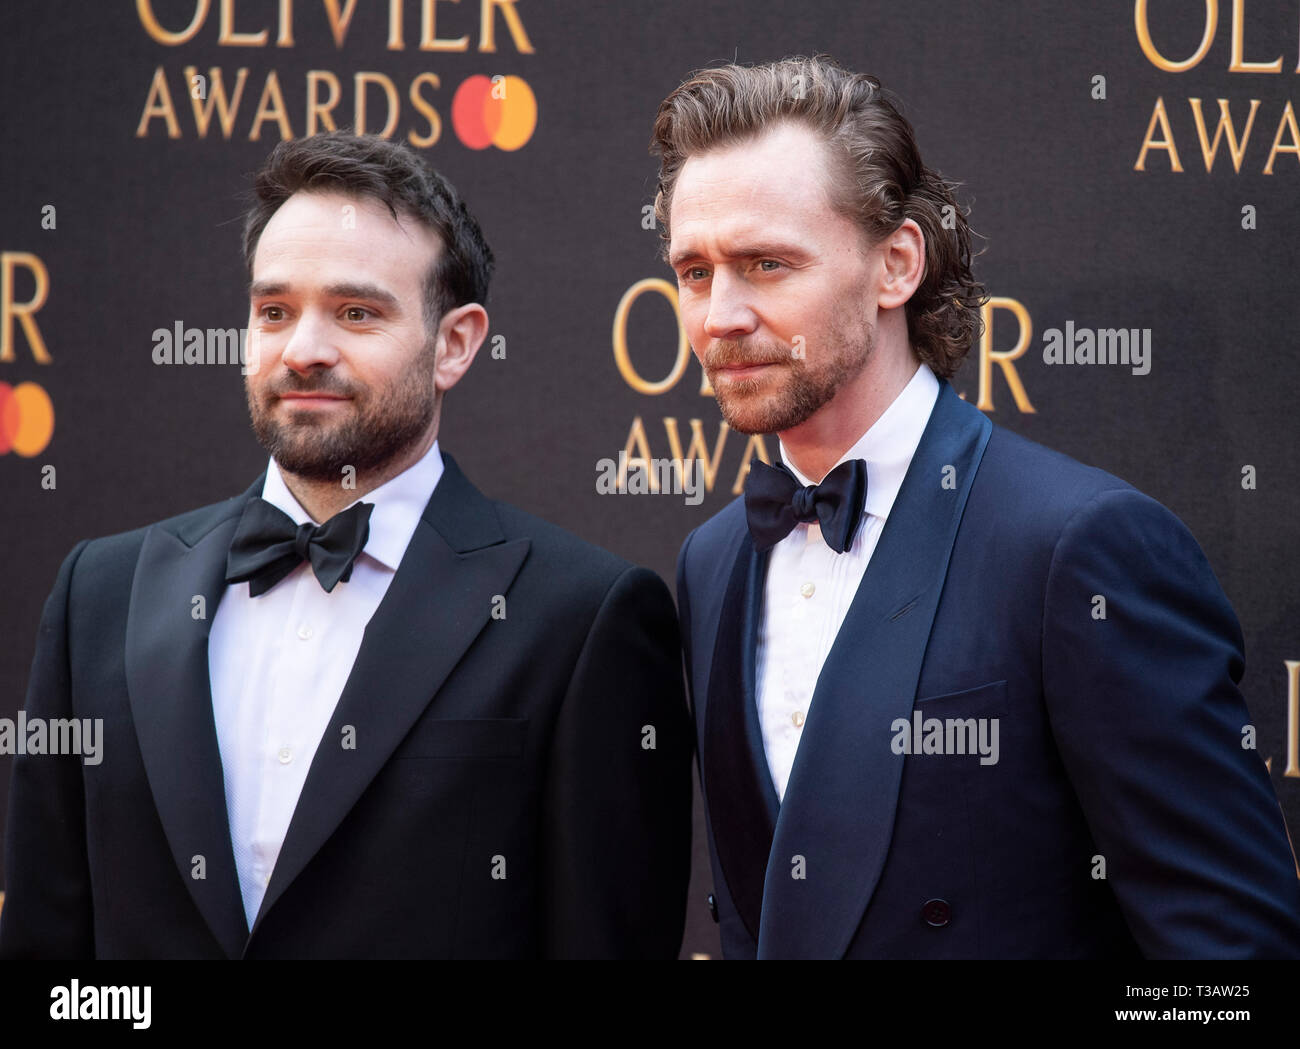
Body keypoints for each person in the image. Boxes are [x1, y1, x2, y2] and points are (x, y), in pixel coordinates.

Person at [656, 56, 1300, 958]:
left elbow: (1231, 964)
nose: (720, 315)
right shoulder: (715, 559)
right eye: (694, 271)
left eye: (767, 263)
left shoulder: (1077, 547)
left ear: (896, 263)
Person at [0, 131, 692, 959]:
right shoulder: (100, 595)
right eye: (274, 311)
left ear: (457, 342)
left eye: (357, 312)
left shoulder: (582, 619)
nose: (304, 350)